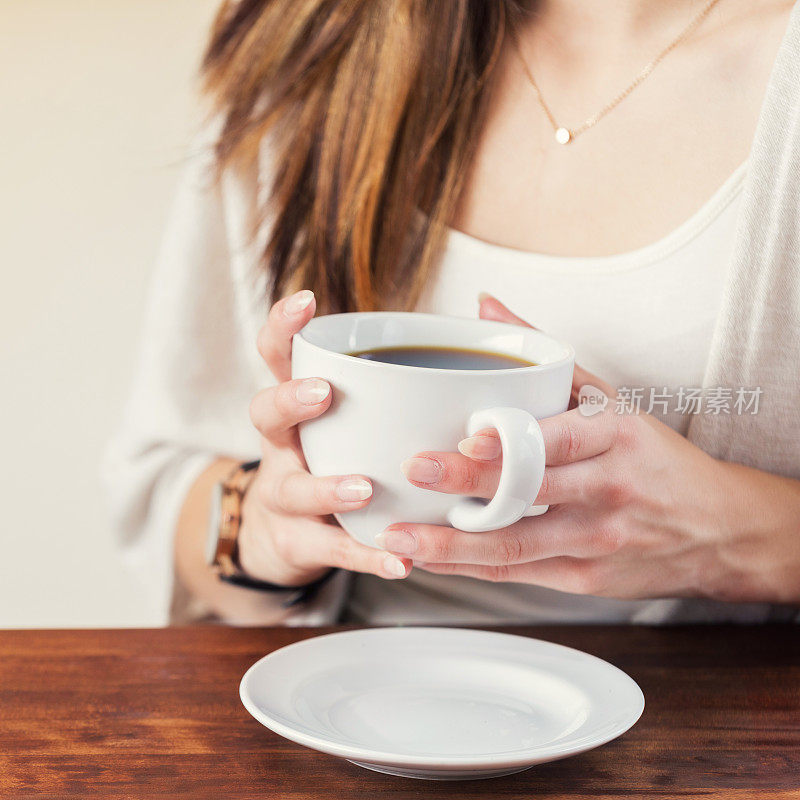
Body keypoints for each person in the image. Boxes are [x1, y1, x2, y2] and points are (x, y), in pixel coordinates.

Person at [105, 0, 800, 626]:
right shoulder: (317, 37)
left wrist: (743, 542)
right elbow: (167, 486)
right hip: (340, 719)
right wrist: (263, 534)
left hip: (711, 745)